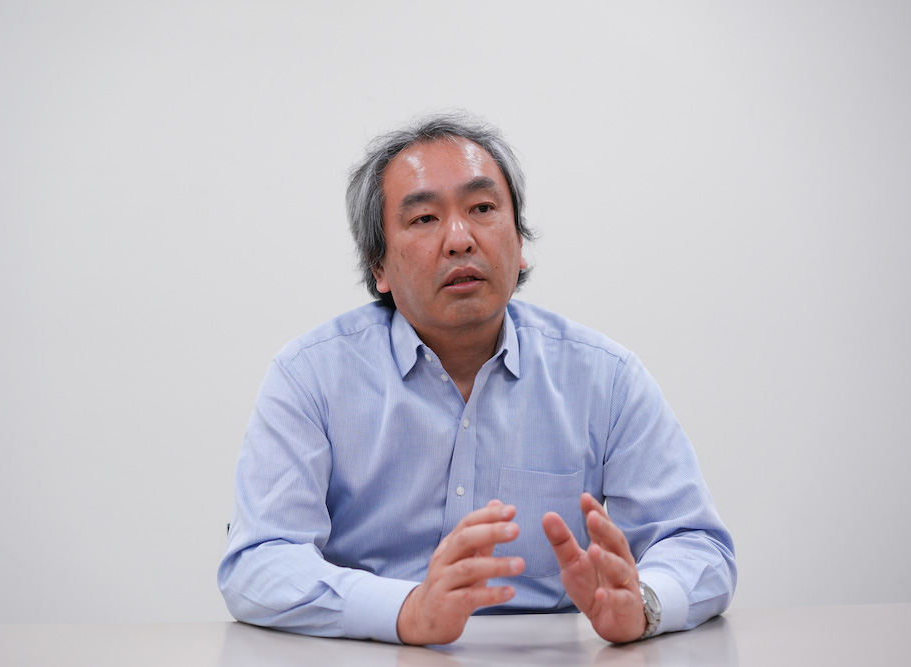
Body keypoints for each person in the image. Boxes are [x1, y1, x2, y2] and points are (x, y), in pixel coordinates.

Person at [218, 112, 736, 645]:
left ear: (520, 244)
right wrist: (406, 611)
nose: (460, 239)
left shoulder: (606, 377)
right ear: (379, 267)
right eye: (424, 218)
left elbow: (697, 544)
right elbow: (259, 562)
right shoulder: (310, 377)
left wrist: (644, 605)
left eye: (482, 209)